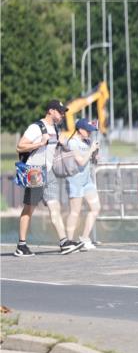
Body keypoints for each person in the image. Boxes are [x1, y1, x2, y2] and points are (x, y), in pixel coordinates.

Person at [14, 100, 83, 256]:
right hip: (34, 171)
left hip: (49, 172)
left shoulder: (56, 129)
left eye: (63, 112)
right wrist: (40, 143)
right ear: (51, 111)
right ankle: (21, 245)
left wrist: (63, 143)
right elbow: (20, 146)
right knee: (29, 208)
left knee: (55, 207)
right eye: (60, 111)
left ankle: (64, 242)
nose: (63, 114)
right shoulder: (36, 128)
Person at [64, 118, 102, 250]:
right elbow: (80, 161)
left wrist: (95, 155)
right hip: (75, 181)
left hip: (87, 180)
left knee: (96, 208)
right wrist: (91, 150)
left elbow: (91, 161)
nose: (90, 133)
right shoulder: (72, 143)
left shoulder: (87, 142)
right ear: (80, 130)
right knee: (75, 212)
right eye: (88, 130)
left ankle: (84, 238)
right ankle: (68, 242)